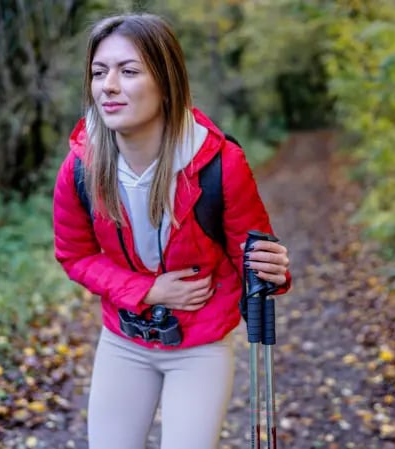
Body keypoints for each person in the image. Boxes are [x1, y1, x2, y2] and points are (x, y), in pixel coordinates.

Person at [52, 13, 292, 449]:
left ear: (166, 82)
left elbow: (254, 258)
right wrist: (148, 291)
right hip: (123, 340)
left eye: (128, 71)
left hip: (200, 348)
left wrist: (273, 272)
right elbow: (75, 255)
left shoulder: (219, 163)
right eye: (99, 73)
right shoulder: (81, 166)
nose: (108, 86)